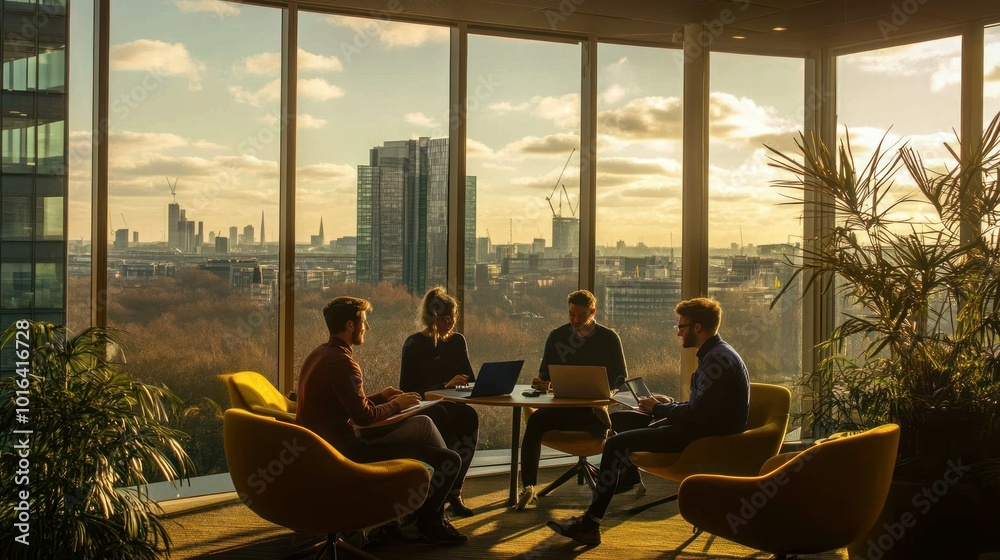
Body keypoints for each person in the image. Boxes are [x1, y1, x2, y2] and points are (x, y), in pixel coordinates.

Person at [546, 297, 750, 546]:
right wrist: (666, 404)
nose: (678, 332)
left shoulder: (716, 359)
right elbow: (704, 407)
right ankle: (626, 477)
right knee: (619, 419)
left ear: (697, 328)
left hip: (700, 437)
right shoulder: (717, 354)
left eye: (681, 327)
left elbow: (700, 414)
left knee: (614, 445)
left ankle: (590, 525)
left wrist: (661, 408)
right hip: (699, 427)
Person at [296, 296, 468, 545]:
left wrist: (381, 397)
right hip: (348, 452)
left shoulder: (320, 354)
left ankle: (412, 518)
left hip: (323, 449)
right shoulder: (343, 363)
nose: (367, 327)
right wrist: (395, 405)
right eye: (364, 322)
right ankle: (427, 518)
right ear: (350, 325)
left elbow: (347, 404)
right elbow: (363, 417)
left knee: (425, 425)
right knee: (449, 458)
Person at [514, 289, 628, 510]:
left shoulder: (609, 338)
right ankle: (528, 487)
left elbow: (621, 377)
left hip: (593, 413)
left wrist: (610, 392)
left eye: (581, 315)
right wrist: (545, 383)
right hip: (563, 409)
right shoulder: (557, 337)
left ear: (592, 312)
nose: (575, 320)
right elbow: (545, 373)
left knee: (595, 424)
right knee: (535, 423)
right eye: (571, 315)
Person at [400, 287, 480, 517]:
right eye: (446, 318)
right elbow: (408, 389)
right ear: (431, 317)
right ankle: (440, 495)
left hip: (451, 405)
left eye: (453, 318)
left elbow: (470, 379)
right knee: (447, 425)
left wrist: (460, 383)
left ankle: (455, 490)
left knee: (470, 417)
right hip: (425, 407)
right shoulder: (414, 344)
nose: (451, 323)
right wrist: (444, 385)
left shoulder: (456, 341)